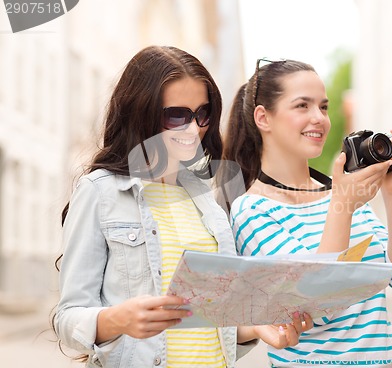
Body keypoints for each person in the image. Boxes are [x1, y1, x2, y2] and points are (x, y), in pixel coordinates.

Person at [52, 46, 312, 368]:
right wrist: (116, 319)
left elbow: (209, 318)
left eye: (202, 114)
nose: (193, 129)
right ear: (141, 112)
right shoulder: (100, 192)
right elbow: (68, 319)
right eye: (176, 116)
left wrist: (256, 326)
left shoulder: (206, 200)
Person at [222, 58, 392, 367]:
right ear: (263, 118)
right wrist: (343, 204)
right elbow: (311, 303)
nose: (319, 118)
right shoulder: (252, 209)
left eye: (324, 107)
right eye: (302, 106)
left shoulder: (341, 192)